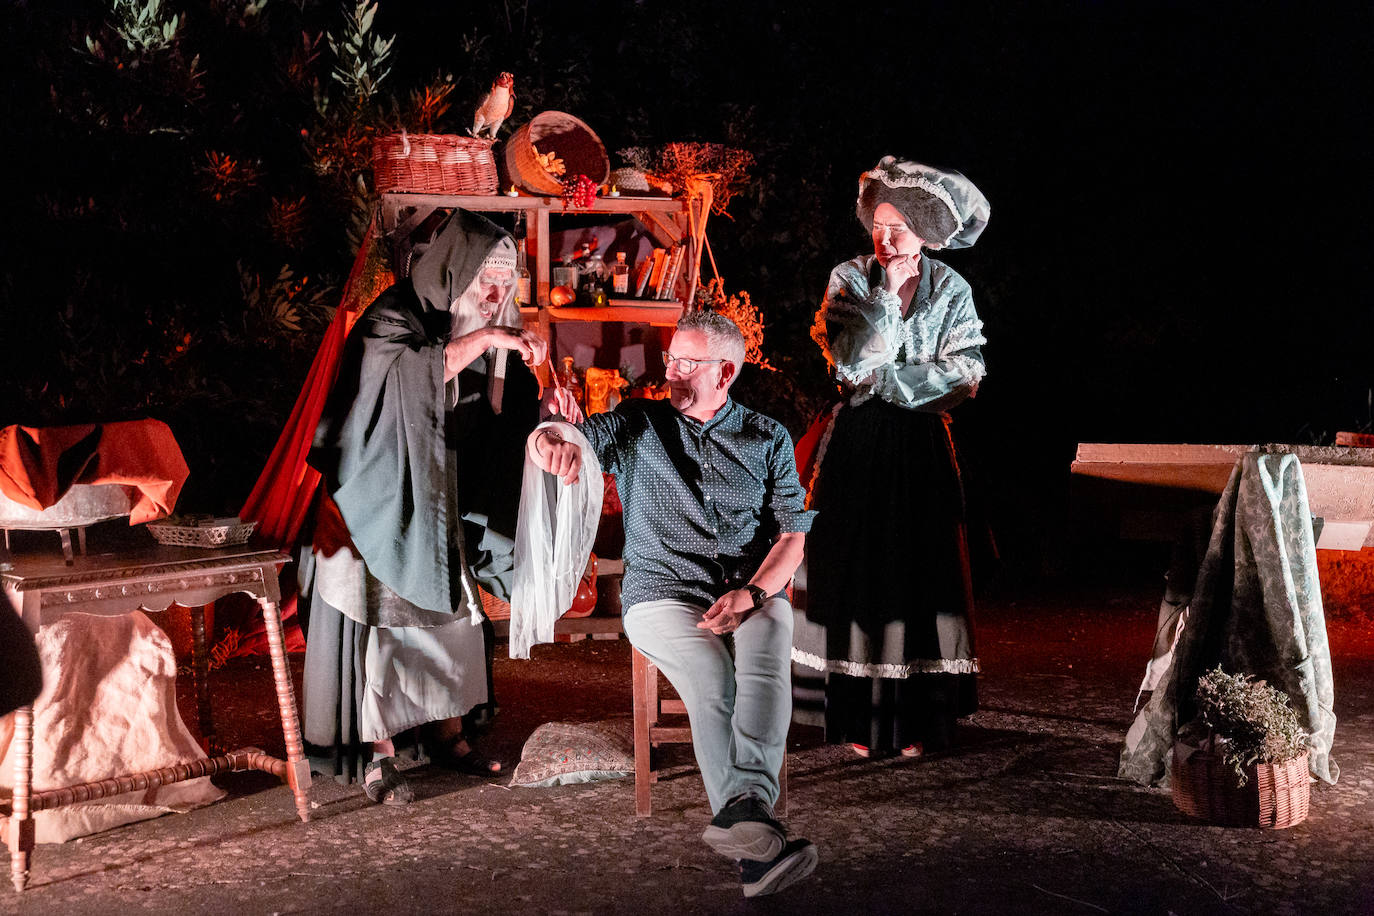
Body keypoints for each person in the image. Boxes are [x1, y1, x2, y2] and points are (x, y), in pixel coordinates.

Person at [527, 311, 819, 898]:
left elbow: (792, 536)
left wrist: (753, 593)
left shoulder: (766, 437)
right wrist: (546, 439)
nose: (672, 373)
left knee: (765, 658)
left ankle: (749, 834)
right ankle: (752, 830)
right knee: (714, 678)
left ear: (726, 371)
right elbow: (579, 439)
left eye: (688, 363)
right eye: (670, 360)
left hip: (751, 585)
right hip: (663, 593)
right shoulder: (640, 423)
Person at [302, 208, 569, 806]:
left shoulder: (490, 334)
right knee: (387, 626)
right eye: (486, 278)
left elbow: (514, 421)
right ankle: (378, 754)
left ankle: (449, 737)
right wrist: (488, 337)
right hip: (377, 503)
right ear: (454, 270)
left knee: (453, 623)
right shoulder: (392, 317)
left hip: (441, 499)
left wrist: (548, 424)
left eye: (507, 280)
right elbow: (403, 382)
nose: (497, 293)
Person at [793, 156, 990, 758]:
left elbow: (967, 373)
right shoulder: (850, 277)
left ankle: (917, 723)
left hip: (921, 450)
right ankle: (856, 720)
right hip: (858, 445)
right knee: (857, 573)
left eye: (897, 229)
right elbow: (851, 362)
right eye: (877, 227)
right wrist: (885, 306)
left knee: (916, 573)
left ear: (927, 233)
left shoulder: (950, 287)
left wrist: (893, 382)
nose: (883, 239)